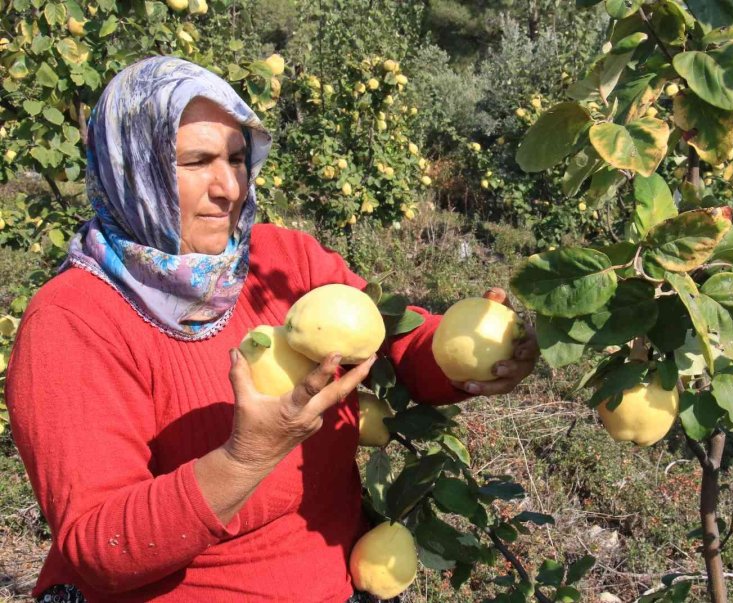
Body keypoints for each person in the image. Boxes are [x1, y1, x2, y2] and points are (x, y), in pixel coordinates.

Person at [5, 56, 537, 603]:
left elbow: (395, 342)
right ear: (131, 168)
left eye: (236, 158)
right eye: (196, 161)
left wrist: (469, 351)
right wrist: (246, 458)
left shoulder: (282, 261)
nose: (229, 187)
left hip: (335, 579)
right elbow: (101, 547)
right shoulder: (75, 321)